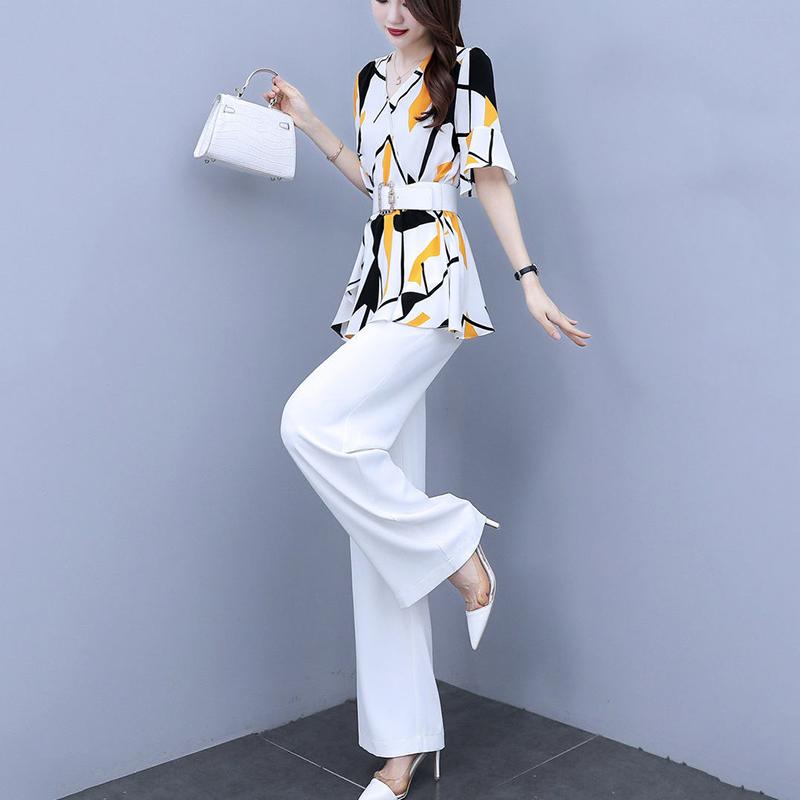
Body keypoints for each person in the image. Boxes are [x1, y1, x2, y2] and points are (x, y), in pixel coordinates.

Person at [266, 1, 591, 797]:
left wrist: (529, 280)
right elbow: (377, 183)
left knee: (308, 423)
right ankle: (402, 745)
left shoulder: (466, 67)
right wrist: (310, 122)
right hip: (375, 285)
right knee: (376, 523)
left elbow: (487, 178)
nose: (390, 12)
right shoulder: (367, 78)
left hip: (432, 281)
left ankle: (454, 544)